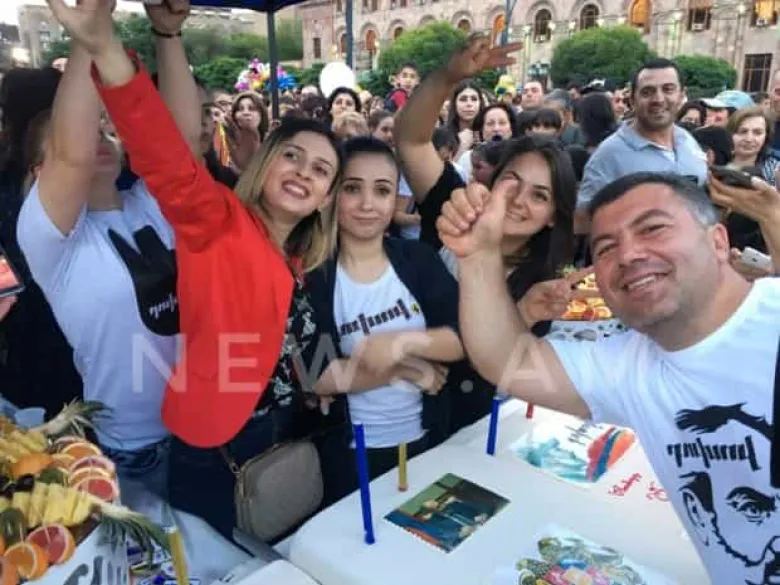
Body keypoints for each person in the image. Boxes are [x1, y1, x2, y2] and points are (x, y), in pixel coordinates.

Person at [44, 0, 347, 539]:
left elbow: (297, 353)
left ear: (326, 198)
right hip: (215, 455)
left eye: (321, 170)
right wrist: (105, 48)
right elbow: (165, 154)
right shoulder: (220, 220)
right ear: (265, 162)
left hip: (277, 442)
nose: (304, 172)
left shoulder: (300, 261)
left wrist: (329, 377)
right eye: (292, 156)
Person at [439, 170, 780, 585]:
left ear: (719, 242)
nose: (629, 254)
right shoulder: (630, 366)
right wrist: (478, 256)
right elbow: (508, 360)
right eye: (605, 248)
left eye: (652, 228)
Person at [16, 35, 178, 502]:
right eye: (85, 132)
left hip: (203, 426)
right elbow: (75, 154)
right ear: (40, 172)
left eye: (105, 129)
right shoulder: (48, 239)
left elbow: (181, 142)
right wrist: (90, 32)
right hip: (136, 449)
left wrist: (169, 37)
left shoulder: (148, 205)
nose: (98, 138)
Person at [308, 137, 463, 490]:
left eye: (381, 190)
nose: (367, 204)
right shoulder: (314, 276)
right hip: (348, 455)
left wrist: (399, 344)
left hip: (426, 440)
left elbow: (461, 336)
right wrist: (403, 369)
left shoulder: (418, 259)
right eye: (352, 188)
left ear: (395, 198)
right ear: (332, 195)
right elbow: (314, 375)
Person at [577, 59, 707, 218]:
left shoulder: (688, 141)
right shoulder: (608, 155)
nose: (658, 99)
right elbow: (584, 220)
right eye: (647, 92)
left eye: (668, 89)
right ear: (632, 100)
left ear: (682, 95)